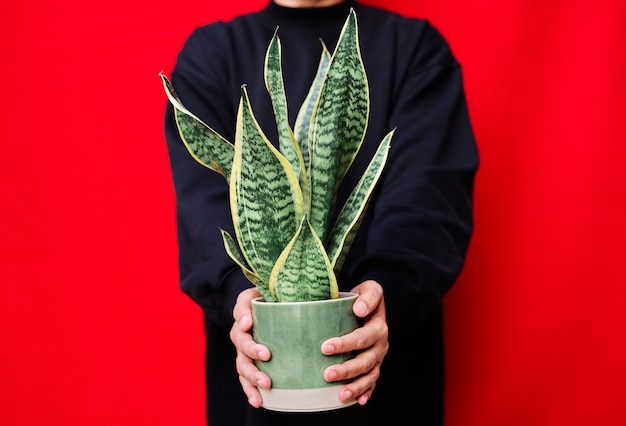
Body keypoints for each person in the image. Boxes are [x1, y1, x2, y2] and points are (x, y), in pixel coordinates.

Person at [163, 0, 478, 424]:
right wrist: (239, 296)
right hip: (259, 391)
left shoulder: (415, 48)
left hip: (392, 393)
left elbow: (429, 199)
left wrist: (386, 292)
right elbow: (204, 213)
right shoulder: (213, 53)